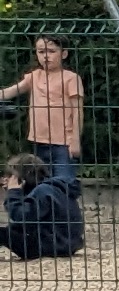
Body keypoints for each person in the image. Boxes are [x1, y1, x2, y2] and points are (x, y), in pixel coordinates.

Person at [0, 37, 84, 185]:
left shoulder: (71, 78)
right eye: (41, 51)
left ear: (64, 54)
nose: (46, 56)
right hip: (39, 141)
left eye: (51, 51)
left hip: (64, 142)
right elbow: (10, 92)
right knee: (41, 182)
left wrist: (75, 140)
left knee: (64, 183)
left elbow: (77, 110)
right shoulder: (34, 76)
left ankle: (66, 207)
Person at [1, 153, 81, 260]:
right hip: (67, 243)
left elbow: (21, 217)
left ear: (21, 178)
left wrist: (13, 192)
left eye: (10, 177)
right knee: (11, 229)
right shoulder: (53, 188)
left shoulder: (42, 192)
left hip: (51, 247)